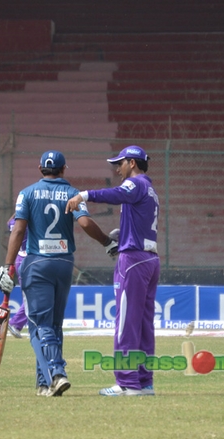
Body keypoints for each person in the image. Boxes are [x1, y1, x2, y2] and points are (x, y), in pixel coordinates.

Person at [0, 150, 115, 397]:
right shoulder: (72, 193)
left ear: (40, 169)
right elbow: (84, 223)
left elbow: (17, 231)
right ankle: (44, 382)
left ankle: (57, 373)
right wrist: (106, 242)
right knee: (53, 325)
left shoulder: (26, 193)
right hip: (63, 265)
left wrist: (8, 266)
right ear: (63, 170)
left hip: (36, 263)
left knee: (40, 324)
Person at [65, 145, 160, 396]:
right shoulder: (149, 189)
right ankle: (144, 381)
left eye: (120, 163)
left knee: (126, 323)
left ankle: (128, 383)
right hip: (150, 259)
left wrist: (82, 196)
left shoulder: (136, 183)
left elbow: (115, 194)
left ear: (132, 162)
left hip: (134, 260)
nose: (117, 168)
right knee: (143, 324)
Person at [6, 215, 28, 339]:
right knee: (33, 297)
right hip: (27, 258)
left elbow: (8, 222)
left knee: (29, 295)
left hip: (19, 258)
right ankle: (15, 323)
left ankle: (29, 325)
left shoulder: (12, 222)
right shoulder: (26, 222)